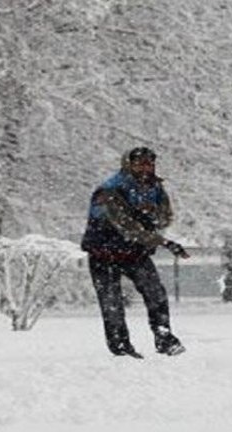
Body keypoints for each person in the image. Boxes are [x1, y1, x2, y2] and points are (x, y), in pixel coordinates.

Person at [80, 146, 190, 358]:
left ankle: (164, 337)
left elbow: (165, 217)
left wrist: (151, 215)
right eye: (140, 163)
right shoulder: (110, 191)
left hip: (134, 252)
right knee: (112, 302)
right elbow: (128, 228)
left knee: (155, 293)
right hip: (103, 253)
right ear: (128, 164)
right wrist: (164, 242)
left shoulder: (155, 188)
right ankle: (121, 347)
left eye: (150, 163)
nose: (146, 168)